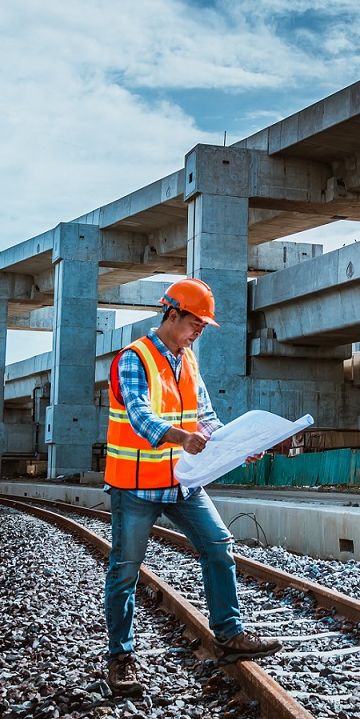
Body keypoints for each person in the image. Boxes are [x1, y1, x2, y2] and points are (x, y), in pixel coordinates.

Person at [101, 276, 281, 697]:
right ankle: (120, 658)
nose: (199, 330)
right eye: (195, 322)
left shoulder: (189, 360)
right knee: (125, 571)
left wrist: (237, 446)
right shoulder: (134, 359)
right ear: (172, 313)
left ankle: (229, 634)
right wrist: (182, 438)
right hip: (137, 487)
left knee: (218, 544)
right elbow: (140, 417)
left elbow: (205, 416)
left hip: (183, 483)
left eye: (203, 325)